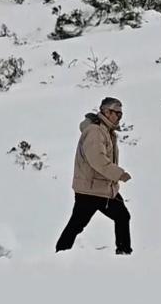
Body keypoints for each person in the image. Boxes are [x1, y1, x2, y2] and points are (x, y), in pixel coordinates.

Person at [55, 97, 133, 255]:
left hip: (102, 188)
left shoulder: (106, 131)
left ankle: (124, 252)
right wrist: (119, 174)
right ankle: (60, 254)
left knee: (122, 216)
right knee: (77, 225)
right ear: (106, 111)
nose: (119, 117)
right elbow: (97, 160)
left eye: (121, 114)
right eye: (116, 113)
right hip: (91, 190)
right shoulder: (95, 132)